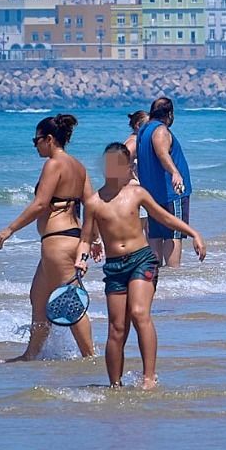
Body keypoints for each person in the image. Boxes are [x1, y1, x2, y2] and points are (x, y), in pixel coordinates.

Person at [79, 143, 207, 389]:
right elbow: (86, 238)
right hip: (115, 267)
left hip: (141, 259)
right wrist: (81, 259)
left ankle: (149, 377)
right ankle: (114, 385)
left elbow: (164, 216)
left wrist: (194, 233)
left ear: (128, 168)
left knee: (139, 313)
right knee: (117, 328)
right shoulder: (94, 202)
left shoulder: (136, 194)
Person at [0, 114, 97, 362]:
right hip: (73, 237)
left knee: (70, 302)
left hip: (57, 243)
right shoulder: (78, 166)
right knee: (38, 296)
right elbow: (92, 204)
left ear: (49, 139)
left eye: (36, 140)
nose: (35, 145)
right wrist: (94, 239)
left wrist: (9, 229)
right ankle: (31, 355)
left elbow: (40, 204)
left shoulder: (54, 164)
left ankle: (90, 357)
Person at [136, 98, 193, 268]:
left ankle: (155, 279)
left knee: (155, 236)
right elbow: (163, 154)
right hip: (171, 193)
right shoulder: (161, 131)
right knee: (173, 236)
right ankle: (173, 278)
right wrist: (175, 172)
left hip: (152, 195)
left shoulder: (144, 130)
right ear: (170, 114)